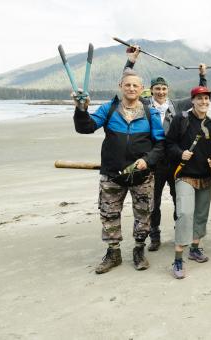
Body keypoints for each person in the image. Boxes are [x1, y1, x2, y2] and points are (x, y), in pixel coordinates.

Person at [72, 69, 165, 274]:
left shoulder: (151, 114)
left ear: (142, 89)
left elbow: (160, 145)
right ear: (120, 86)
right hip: (112, 175)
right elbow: (85, 127)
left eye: (135, 85)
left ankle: (139, 250)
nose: (131, 88)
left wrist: (147, 160)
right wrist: (81, 109)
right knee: (109, 214)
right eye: (127, 85)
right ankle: (113, 253)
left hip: (142, 176)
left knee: (143, 214)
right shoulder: (109, 109)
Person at [124, 46, 208, 251]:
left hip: (176, 162)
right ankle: (155, 236)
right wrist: (131, 62)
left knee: (179, 200)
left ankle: (180, 232)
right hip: (153, 162)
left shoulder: (178, 105)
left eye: (164, 89)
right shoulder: (143, 105)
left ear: (167, 90)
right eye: (157, 89)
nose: (161, 92)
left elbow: (199, 97)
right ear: (151, 90)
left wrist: (202, 77)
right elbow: (128, 85)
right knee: (154, 202)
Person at [166, 86, 211, 279]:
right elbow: (169, 144)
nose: (203, 102)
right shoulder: (181, 120)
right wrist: (181, 153)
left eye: (206, 99)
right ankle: (178, 259)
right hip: (184, 175)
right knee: (185, 214)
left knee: (201, 215)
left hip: (206, 177)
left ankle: (195, 249)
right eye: (200, 99)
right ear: (192, 101)